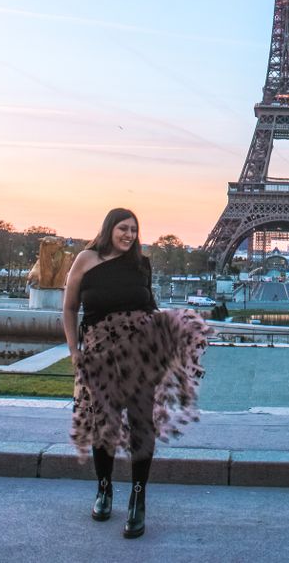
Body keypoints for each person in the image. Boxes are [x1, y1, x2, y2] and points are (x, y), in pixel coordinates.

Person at [63, 207, 210, 539]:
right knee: (105, 425)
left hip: (140, 357)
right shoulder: (85, 259)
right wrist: (74, 351)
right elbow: (70, 308)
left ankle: (137, 499)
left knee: (143, 425)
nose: (129, 235)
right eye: (123, 229)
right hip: (100, 357)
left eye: (133, 229)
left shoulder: (141, 264)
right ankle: (104, 490)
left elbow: (149, 306)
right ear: (109, 228)